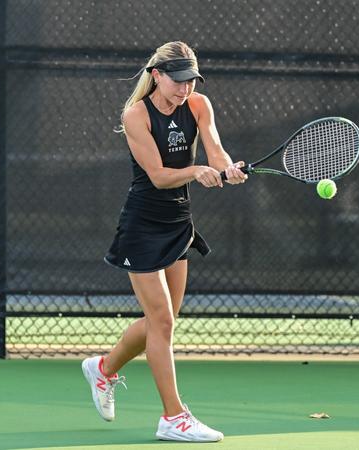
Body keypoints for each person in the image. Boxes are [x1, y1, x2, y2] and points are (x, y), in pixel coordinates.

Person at [81, 41, 247, 442]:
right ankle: (173, 417)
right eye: (178, 81)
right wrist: (196, 171)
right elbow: (156, 175)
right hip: (142, 224)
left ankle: (103, 369)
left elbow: (216, 150)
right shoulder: (136, 115)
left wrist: (228, 169)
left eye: (191, 81)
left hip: (178, 222)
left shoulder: (198, 105)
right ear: (157, 75)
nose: (185, 88)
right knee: (163, 321)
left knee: (164, 319)